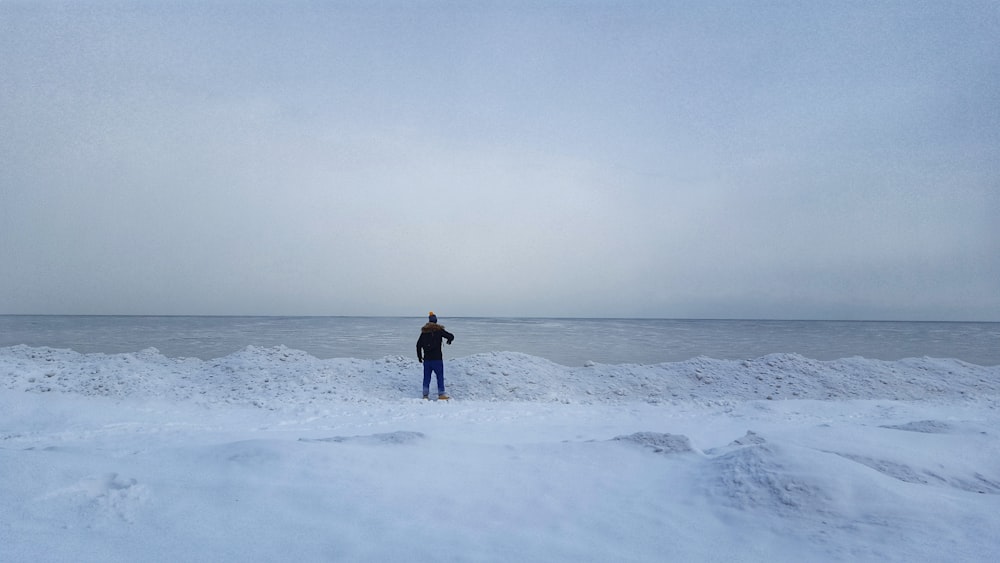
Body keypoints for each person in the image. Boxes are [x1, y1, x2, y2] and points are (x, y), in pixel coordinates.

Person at [416, 311, 454, 400]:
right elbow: (451, 336)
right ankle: (441, 394)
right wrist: (449, 341)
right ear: (436, 321)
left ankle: (425, 395)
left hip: (427, 360)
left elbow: (418, 345)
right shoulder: (439, 330)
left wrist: (419, 356)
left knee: (426, 377)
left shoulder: (424, 332)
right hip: (437, 359)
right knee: (439, 376)